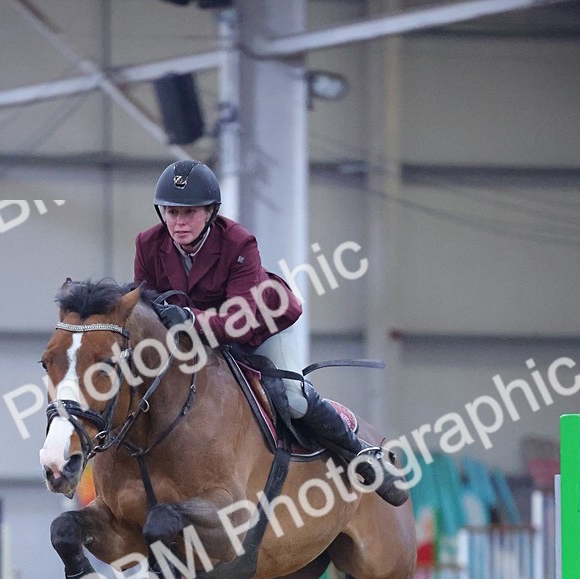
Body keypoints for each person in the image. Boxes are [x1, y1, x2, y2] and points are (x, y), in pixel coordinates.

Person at [133, 159, 406, 506]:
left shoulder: (238, 242)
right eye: (171, 212)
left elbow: (239, 318)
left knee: (291, 398)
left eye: (189, 212)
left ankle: (363, 456)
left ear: (210, 212)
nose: (178, 222)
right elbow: (144, 307)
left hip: (258, 326)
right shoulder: (148, 244)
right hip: (191, 339)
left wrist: (190, 319)